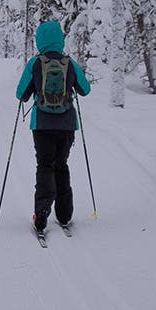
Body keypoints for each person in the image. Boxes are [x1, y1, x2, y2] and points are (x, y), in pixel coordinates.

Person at [14, 19, 92, 244]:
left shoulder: (35, 63)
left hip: (42, 125)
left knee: (45, 166)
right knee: (61, 165)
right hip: (67, 124)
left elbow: (21, 94)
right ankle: (65, 215)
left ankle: (41, 216)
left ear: (40, 40)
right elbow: (85, 90)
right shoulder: (70, 63)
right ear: (60, 39)